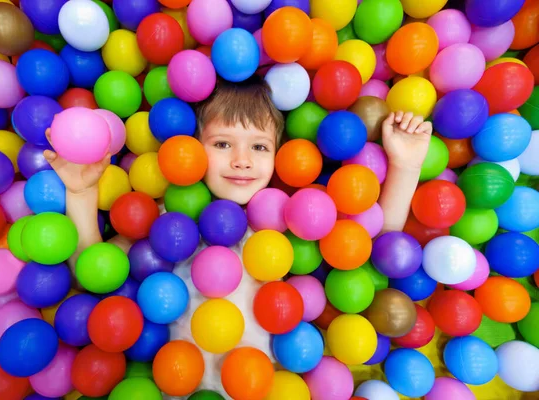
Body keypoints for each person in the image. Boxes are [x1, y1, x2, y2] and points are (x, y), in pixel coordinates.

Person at [44, 76, 433, 398]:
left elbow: (377, 249)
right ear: (193, 150)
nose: (241, 160)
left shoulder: (289, 223)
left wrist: (405, 166)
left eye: (259, 146)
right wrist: (80, 194)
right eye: (222, 144)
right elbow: (92, 273)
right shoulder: (169, 224)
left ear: (280, 155)